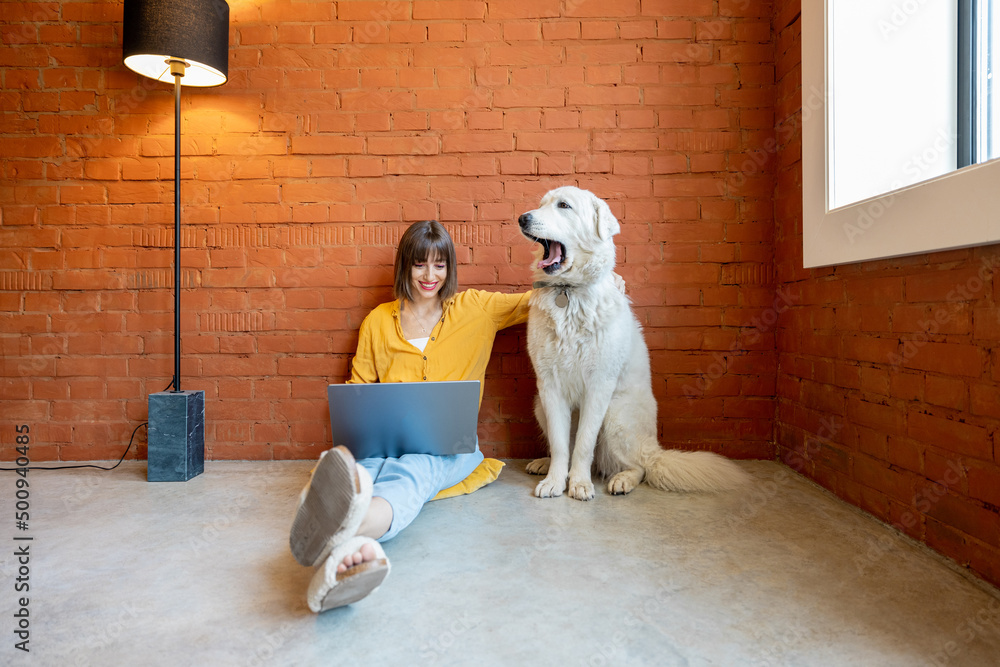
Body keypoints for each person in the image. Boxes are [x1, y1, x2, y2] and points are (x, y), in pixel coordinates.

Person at [288, 220, 532, 613]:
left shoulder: (476, 309)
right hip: (382, 443)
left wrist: (597, 283)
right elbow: (359, 387)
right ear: (405, 266)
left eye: (440, 265)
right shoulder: (378, 321)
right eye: (420, 265)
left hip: (447, 449)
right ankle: (351, 555)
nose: (430, 276)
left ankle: (336, 528)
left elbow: (536, 301)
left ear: (450, 268)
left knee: (412, 473)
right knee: (362, 477)